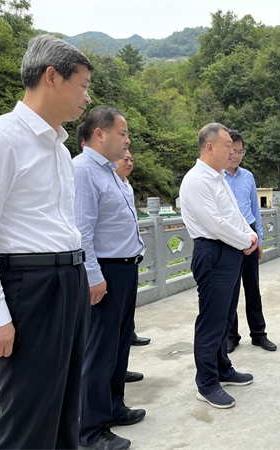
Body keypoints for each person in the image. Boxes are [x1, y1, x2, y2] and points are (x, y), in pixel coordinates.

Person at [0, 35, 93, 449]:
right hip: (30, 288)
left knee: (65, 412)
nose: (88, 98)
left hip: (68, 281)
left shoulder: (58, 148)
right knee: (29, 420)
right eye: (83, 85)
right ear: (52, 77)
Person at [74, 106, 146, 450]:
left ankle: (114, 407)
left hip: (125, 268)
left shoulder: (109, 172)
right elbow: (82, 230)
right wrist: (93, 276)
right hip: (104, 271)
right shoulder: (83, 171)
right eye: (123, 133)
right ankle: (89, 430)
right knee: (99, 352)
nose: (127, 140)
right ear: (99, 134)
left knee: (118, 347)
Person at [180, 123, 258, 409]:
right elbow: (215, 224)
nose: (233, 152)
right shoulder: (197, 180)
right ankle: (207, 383)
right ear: (210, 147)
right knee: (211, 321)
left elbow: (234, 214)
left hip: (230, 251)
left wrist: (249, 234)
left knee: (224, 317)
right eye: (228, 146)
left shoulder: (219, 177)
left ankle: (222, 368)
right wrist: (245, 240)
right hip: (213, 251)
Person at [224, 130, 276, 353]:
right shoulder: (217, 177)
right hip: (228, 236)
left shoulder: (248, 176)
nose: (236, 155)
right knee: (230, 289)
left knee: (252, 287)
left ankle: (259, 334)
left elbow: (256, 209)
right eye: (233, 151)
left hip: (250, 235)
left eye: (240, 151)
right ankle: (231, 335)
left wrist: (260, 240)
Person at [113, 149, 150, 382]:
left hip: (130, 260)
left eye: (132, 159)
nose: (129, 162)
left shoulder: (126, 186)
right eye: (125, 158)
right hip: (110, 264)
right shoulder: (94, 177)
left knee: (123, 326)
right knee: (107, 330)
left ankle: (119, 371)